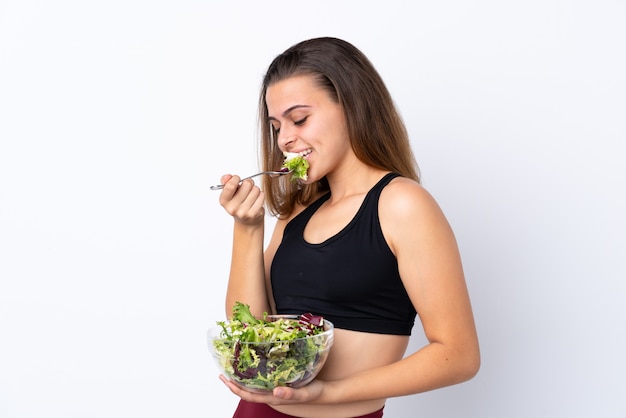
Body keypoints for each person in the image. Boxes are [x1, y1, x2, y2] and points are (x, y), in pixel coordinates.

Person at [215, 37, 480, 418]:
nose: (285, 138)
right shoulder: (299, 210)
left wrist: (325, 393)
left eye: (300, 118)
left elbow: (459, 356)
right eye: (276, 126)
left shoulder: (402, 205)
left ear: (352, 106)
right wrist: (248, 227)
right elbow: (253, 334)